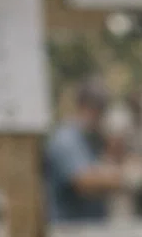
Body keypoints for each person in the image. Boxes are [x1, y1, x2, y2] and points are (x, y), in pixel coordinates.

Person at [43, 82, 125, 224]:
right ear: (86, 107)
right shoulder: (65, 138)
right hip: (69, 235)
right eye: (100, 110)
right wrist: (128, 178)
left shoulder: (90, 140)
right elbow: (84, 182)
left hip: (90, 233)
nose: (102, 117)